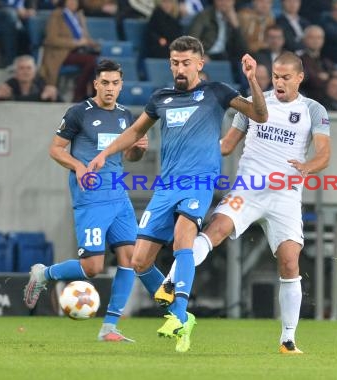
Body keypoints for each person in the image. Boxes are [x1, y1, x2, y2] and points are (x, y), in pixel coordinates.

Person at [87, 36, 268, 352]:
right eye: (175, 63)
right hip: (165, 187)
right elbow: (134, 131)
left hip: (198, 182)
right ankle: (181, 315)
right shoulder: (161, 98)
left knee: (184, 237)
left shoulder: (217, 92)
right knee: (139, 261)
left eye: (186, 63)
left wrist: (252, 80)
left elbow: (260, 115)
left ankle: (179, 314)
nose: (180, 69)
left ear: (200, 63)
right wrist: (107, 153)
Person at [155, 51, 331, 354]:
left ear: (300, 78)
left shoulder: (313, 110)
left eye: (285, 77)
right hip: (247, 189)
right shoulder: (254, 104)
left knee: (290, 263)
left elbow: (324, 153)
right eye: (275, 76)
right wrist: (195, 149)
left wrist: (308, 167)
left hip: (285, 195)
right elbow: (226, 146)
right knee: (215, 230)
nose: (279, 82)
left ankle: (288, 339)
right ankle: (171, 280)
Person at [23, 59, 148, 342]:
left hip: (119, 196)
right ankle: (44, 274)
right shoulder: (79, 112)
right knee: (93, 268)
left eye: (115, 83)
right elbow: (55, 149)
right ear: (95, 84)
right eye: (105, 83)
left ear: (121, 85)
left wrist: (139, 149)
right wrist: (77, 166)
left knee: (131, 259)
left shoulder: (125, 115)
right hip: (91, 198)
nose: (110, 89)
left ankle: (110, 327)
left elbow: (128, 156)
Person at [38, 0, 100, 102]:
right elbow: (51, 39)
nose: (73, 3)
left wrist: (95, 44)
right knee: (91, 61)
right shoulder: (57, 15)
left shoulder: (78, 16)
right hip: (60, 52)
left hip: (79, 50)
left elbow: (84, 37)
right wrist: (75, 43)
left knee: (100, 62)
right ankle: (79, 95)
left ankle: (95, 96)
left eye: (75, 1)